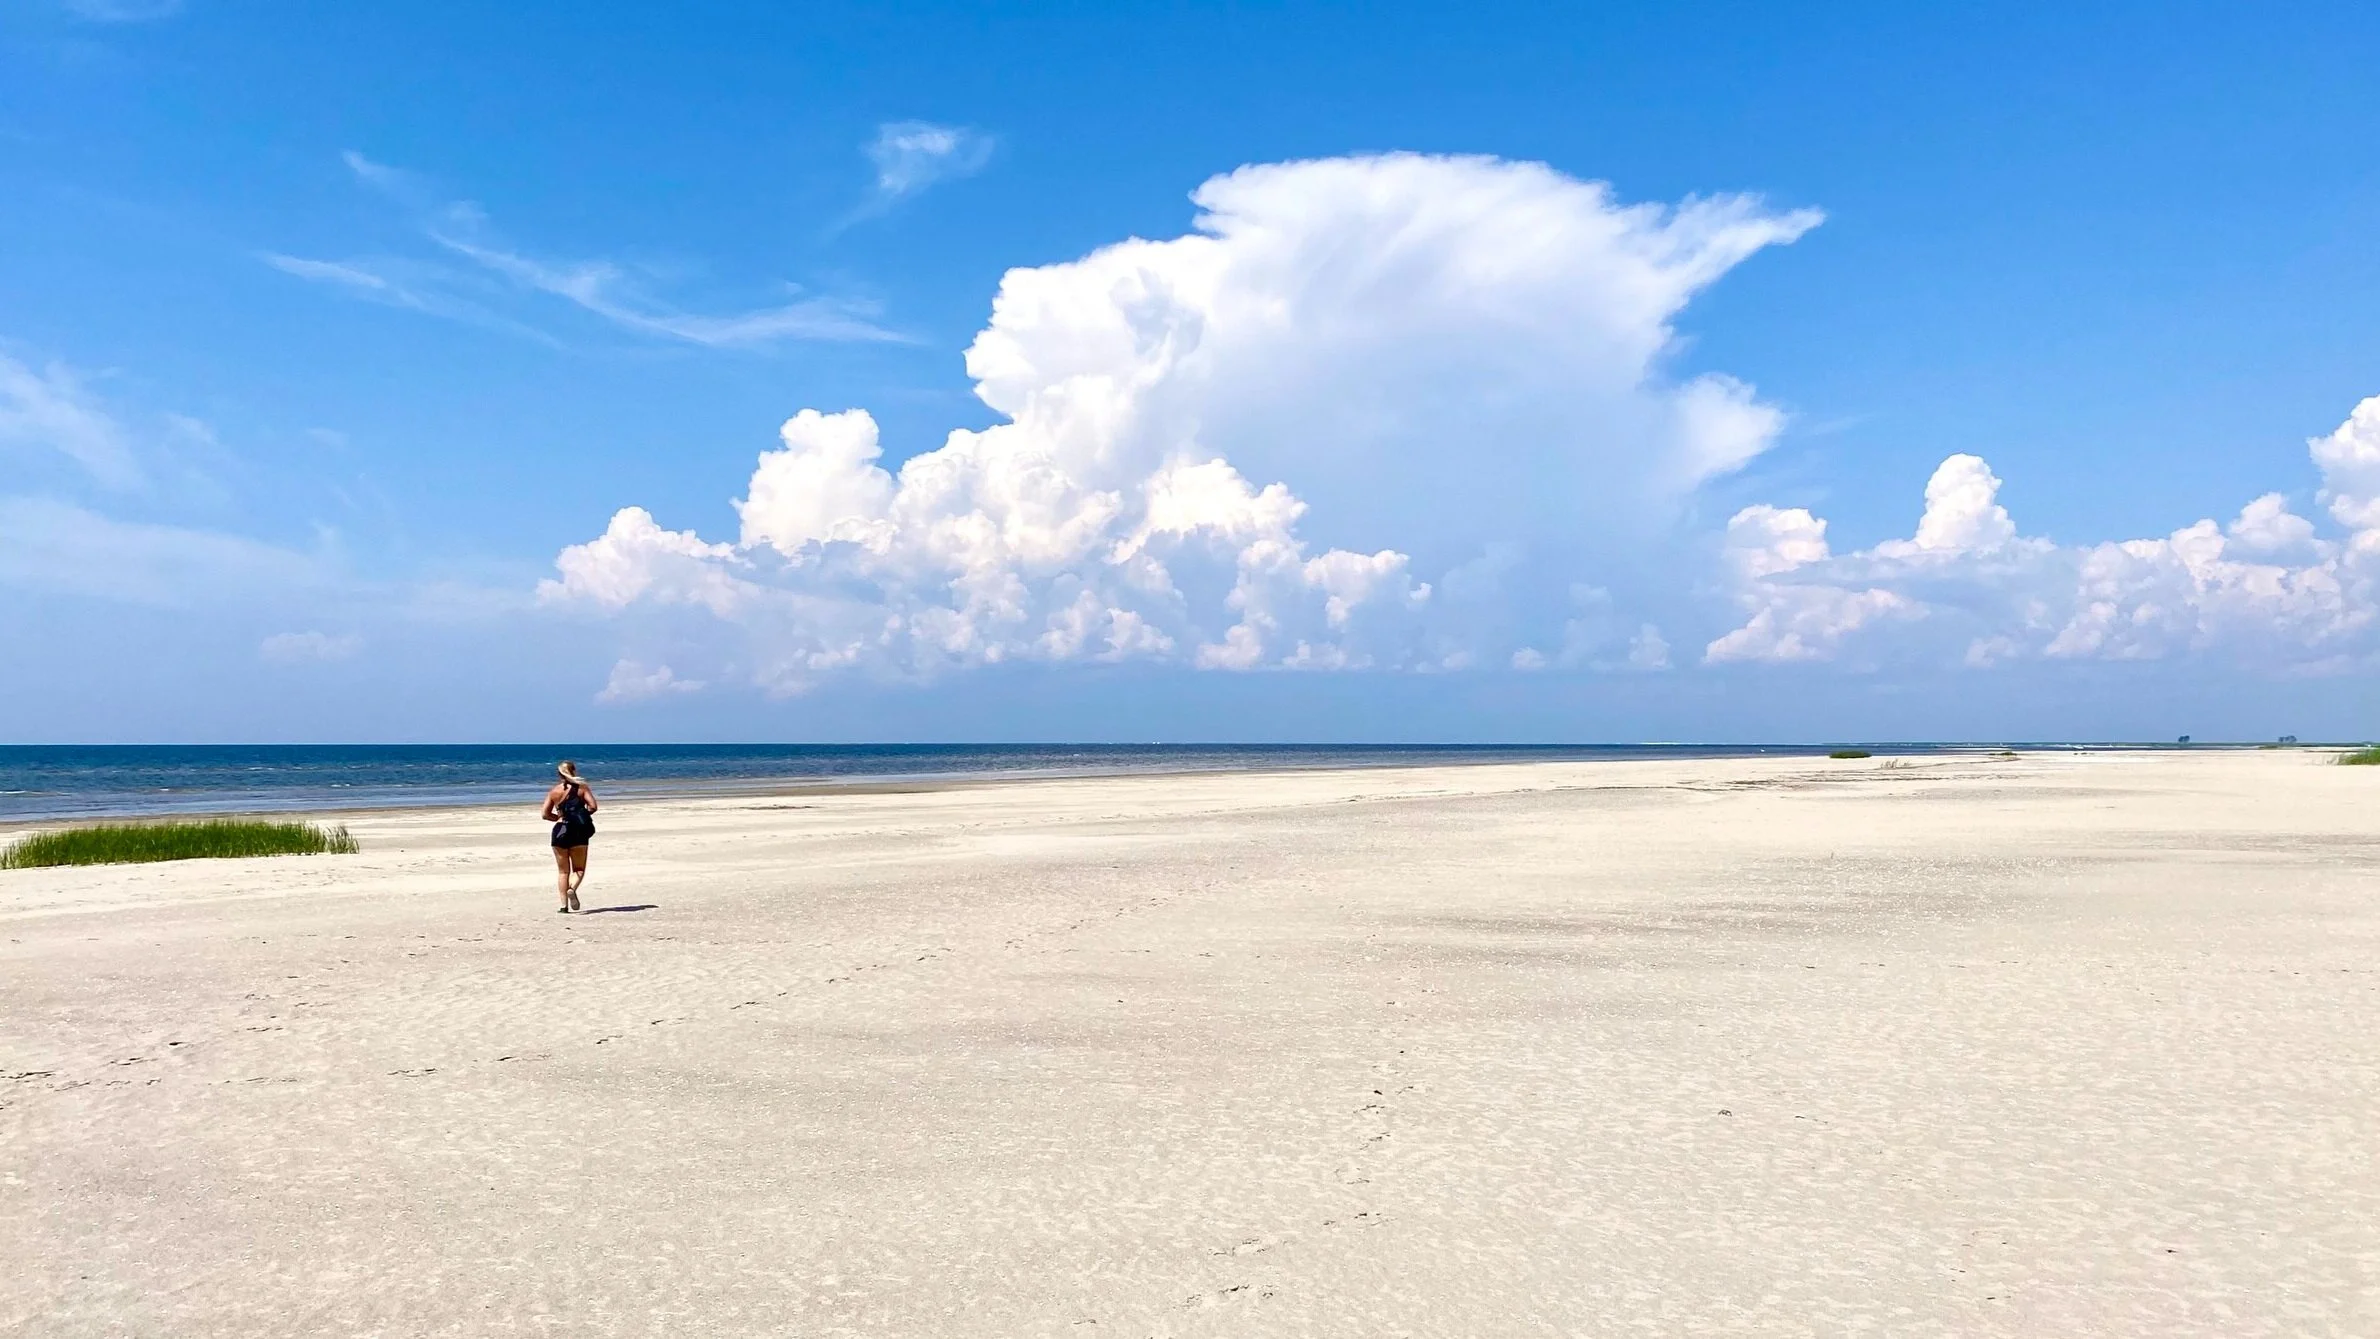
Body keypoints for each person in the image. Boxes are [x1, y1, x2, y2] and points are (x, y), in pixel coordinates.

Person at [541, 761, 599, 913]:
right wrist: (580, 816)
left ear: (559, 774)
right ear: (574, 771)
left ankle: (563, 906)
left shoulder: (554, 791)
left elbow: (545, 814)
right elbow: (593, 807)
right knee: (579, 869)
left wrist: (558, 818)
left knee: (563, 872)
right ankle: (572, 889)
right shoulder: (582, 788)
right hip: (578, 831)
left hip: (560, 830)